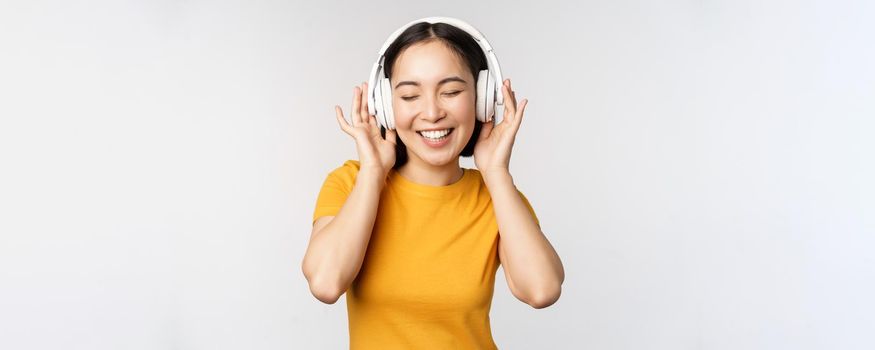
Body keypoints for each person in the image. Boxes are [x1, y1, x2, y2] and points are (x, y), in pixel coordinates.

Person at [302, 17, 564, 349]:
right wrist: (372, 170)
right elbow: (326, 283)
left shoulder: (497, 197)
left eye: (451, 91)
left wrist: (496, 173)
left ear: (482, 99)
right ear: (385, 106)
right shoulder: (351, 182)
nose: (431, 112)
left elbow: (542, 290)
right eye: (410, 96)